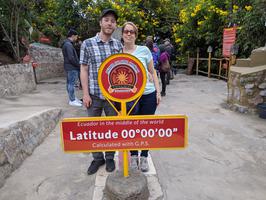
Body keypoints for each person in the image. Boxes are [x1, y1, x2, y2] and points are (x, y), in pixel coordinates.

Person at [80, 9, 122, 175]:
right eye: (106, 20)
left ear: (115, 25)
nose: (109, 23)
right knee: (93, 130)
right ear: (100, 22)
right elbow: (83, 69)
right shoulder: (87, 44)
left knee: (112, 128)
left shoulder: (118, 45)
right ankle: (98, 159)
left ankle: (110, 157)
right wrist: (85, 94)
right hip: (94, 95)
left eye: (112, 20)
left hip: (113, 97)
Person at [122, 22, 161, 172]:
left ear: (136, 35)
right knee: (132, 127)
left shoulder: (144, 50)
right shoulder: (119, 52)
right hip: (130, 97)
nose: (129, 34)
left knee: (146, 127)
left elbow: (153, 73)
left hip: (148, 94)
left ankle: (144, 156)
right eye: (126, 31)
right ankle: (133, 156)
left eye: (132, 32)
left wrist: (158, 92)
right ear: (123, 34)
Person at [62, 29, 82, 107]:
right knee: (71, 84)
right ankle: (72, 100)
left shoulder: (67, 43)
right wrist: (78, 65)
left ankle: (73, 98)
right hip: (72, 67)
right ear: (73, 36)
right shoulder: (68, 44)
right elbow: (71, 58)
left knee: (70, 83)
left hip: (69, 67)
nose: (77, 38)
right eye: (76, 36)